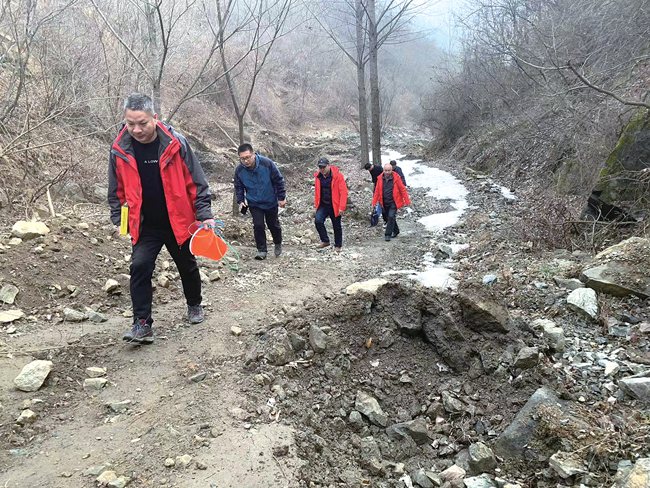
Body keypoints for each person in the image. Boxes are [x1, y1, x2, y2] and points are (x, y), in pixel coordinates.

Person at [108, 93, 214, 344]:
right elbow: (117, 191)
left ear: (155, 118)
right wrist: (119, 222)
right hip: (145, 225)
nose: (136, 129)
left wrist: (205, 215)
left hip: (178, 220)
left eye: (142, 123)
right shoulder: (120, 150)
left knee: (186, 264)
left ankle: (194, 304)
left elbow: (197, 182)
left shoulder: (176, 144)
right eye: (130, 123)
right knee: (139, 267)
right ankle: (142, 323)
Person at [234, 143, 286, 260]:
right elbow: (238, 186)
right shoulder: (239, 170)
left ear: (253, 154)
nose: (246, 161)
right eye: (243, 159)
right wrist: (241, 200)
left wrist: (281, 197)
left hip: (270, 200)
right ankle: (262, 250)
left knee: (273, 224)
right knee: (258, 225)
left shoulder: (266, 163)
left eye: (248, 157)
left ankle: (277, 242)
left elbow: (279, 180)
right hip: (254, 202)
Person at [314, 157, 348, 252]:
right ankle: (325, 240)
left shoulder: (338, 176)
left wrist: (342, 207)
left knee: (336, 226)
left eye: (324, 167)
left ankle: (338, 245)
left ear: (329, 165)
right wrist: (316, 204)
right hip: (323, 205)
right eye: (320, 167)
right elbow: (317, 191)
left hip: (335, 205)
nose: (322, 169)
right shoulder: (318, 177)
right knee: (318, 221)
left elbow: (344, 192)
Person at [372, 162, 410, 241]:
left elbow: (402, 189)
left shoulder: (396, 178)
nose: (387, 172)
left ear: (391, 170)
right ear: (383, 170)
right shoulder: (379, 178)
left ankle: (387, 234)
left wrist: (407, 201)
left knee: (391, 216)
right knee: (388, 218)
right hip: (383, 202)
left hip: (394, 201)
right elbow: (377, 191)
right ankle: (396, 230)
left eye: (389, 170)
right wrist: (374, 202)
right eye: (386, 170)